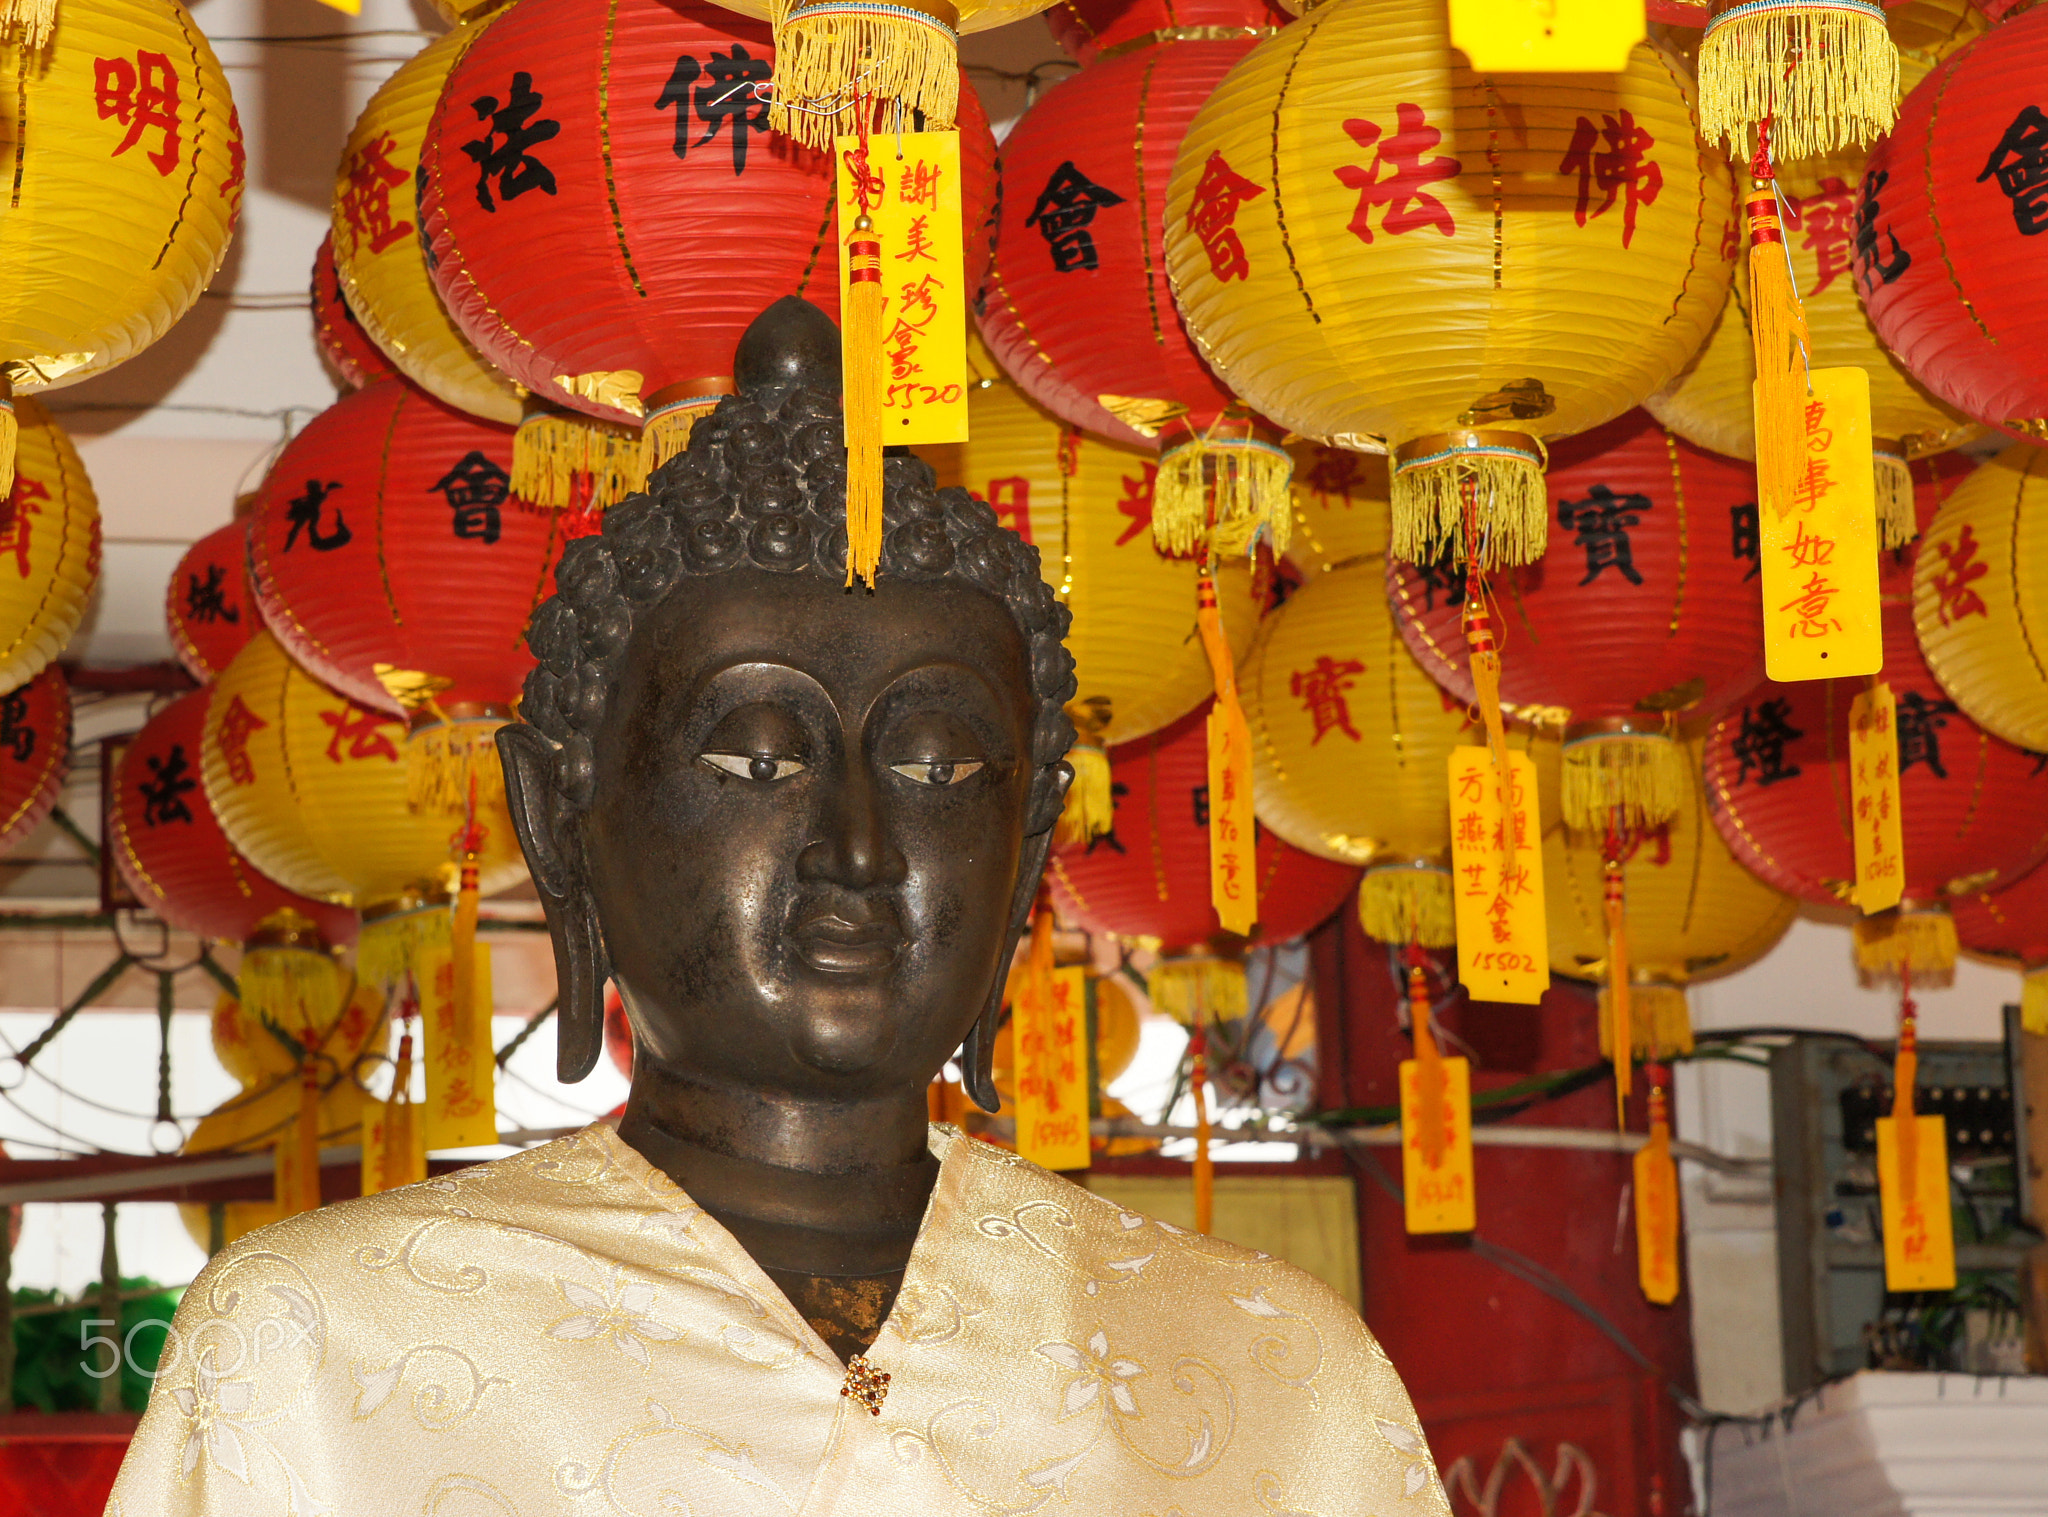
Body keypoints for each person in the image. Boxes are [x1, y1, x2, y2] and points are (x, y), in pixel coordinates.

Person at [109, 301, 1448, 1515]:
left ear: (1028, 846)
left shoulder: (1273, 1372)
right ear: (562, 825)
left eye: (939, 765)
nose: (856, 849)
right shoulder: (323, 1351)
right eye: (756, 756)